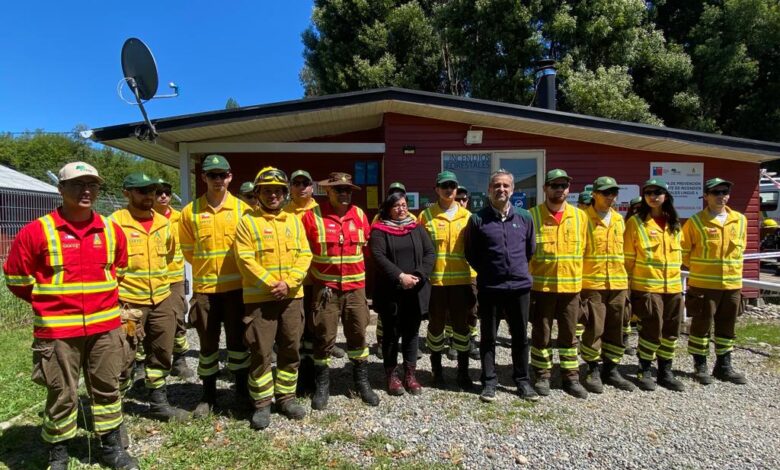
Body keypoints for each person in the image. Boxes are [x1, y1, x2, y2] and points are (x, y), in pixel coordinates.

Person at [3, 162, 138, 470]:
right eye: (77, 184)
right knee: (61, 393)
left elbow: (119, 270)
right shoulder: (37, 231)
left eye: (92, 184)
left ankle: (112, 448)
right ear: (61, 189)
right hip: (58, 331)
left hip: (105, 328)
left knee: (107, 387)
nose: (86, 190)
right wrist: (51, 303)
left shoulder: (111, 230)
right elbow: (17, 279)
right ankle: (59, 453)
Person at [234, 167, 313, 429]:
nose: (273, 195)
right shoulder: (247, 222)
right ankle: (261, 403)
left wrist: (288, 283)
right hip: (260, 299)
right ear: (258, 193)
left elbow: (305, 254)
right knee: (260, 351)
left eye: (278, 191)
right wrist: (271, 284)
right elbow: (244, 258)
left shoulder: (293, 221)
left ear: (284, 193)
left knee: (291, 348)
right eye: (267, 190)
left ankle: (286, 397)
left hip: (292, 297)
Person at [111, 173, 190, 423]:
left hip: (161, 299)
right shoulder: (114, 223)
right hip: (128, 303)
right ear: (127, 193)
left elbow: (170, 255)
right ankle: (113, 410)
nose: (149, 196)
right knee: (124, 354)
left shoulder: (164, 223)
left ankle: (158, 403)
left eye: (152, 191)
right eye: (142, 191)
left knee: (161, 351)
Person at [179, 154, 252, 416]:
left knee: (238, 344)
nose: (218, 179)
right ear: (204, 178)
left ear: (230, 177)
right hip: (206, 292)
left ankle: (241, 392)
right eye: (212, 175)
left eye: (222, 175)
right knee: (208, 347)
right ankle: (208, 395)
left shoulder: (243, 210)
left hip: (236, 291)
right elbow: (188, 250)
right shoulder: (190, 212)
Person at [301, 172, 379, 410]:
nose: (344, 194)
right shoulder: (312, 216)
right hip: (326, 289)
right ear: (328, 191)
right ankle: (322, 385)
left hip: (355, 289)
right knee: (323, 337)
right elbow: (302, 252)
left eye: (347, 190)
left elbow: (368, 249)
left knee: (358, 334)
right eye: (338, 189)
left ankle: (361, 382)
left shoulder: (360, 215)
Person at [464, 169, 538, 402]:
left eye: (506, 185)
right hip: (490, 288)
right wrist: (489, 272)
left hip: (519, 288)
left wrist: (515, 270)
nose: (501, 189)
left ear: (512, 190)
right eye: (496, 185)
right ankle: (489, 382)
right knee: (488, 338)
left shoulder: (525, 217)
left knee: (520, 337)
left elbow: (530, 250)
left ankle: (522, 381)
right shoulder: (477, 219)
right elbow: (471, 253)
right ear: (489, 190)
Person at [528, 169, 589, 399]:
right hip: (542, 289)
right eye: (554, 185)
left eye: (563, 185)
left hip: (571, 289)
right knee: (541, 335)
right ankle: (542, 375)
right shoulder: (532, 216)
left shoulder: (580, 217)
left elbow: (586, 251)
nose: (559, 189)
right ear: (545, 188)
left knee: (569, 335)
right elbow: (525, 254)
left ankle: (571, 377)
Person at [682, 177, 748, 385]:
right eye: (716, 192)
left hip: (732, 285)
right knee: (701, 327)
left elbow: (741, 249)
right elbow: (683, 252)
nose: (721, 196)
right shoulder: (695, 222)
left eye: (724, 192)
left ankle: (724, 366)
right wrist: (701, 269)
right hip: (704, 285)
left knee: (727, 327)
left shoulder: (740, 220)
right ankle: (700, 366)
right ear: (706, 196)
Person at [369, 192, 434, 396]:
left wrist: (419, 275)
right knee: (390, 335)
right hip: (391, 292)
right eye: (396, 205)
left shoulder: (416, 228)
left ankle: (410, 375)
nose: (401, 209)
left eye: (404, 205)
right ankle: (392, 375)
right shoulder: (379, 230)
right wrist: (400, 277)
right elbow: (378, 256)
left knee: (412, 334)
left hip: (415, 291)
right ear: (388, 209)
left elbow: (430, 253)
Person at [624, 178, 685, 392]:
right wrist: (629, 290)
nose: (653, 196)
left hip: (673, 288)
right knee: (651, 330)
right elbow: (628, 260)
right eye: (648, 192)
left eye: (657, 192)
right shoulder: (636, 223)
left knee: (671, 332)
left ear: (666, 196)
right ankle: (644, 369)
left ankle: (665, 371)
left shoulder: (674, 223)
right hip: (648, 288)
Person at [418, 170, 477, 390]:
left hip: (462, 283)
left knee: (462, 329)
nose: (449, 189)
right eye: (444, 186)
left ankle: (463, 374)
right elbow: (420, 251)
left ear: (456, 188)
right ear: (437, 189)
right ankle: (437, 372)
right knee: (435, 329)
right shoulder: (426, 216)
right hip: (436, 284)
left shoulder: (468, 217)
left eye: (452, 185)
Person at [579, 177, 635, 393]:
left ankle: (611, 369)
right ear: (594, 194)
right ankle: (592, 369)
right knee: (594, 327)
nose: (610, 197)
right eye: (605, 193)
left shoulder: (620, 220)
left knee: (616, 327)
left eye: (613, 193)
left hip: (618, 283)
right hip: (593, 282)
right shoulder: (583, 219)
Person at [153, 178, 194, 379]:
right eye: (158, 192)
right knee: (148, 323)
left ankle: (179, 360)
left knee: (178, 318)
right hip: (150, 279)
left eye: (167, 193)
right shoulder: (145, 218)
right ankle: (142, 365)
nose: (163, 196)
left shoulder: (179, 218)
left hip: (174, 277)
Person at [372, 181, 407, 361]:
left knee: (404, 312)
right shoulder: (379, 218)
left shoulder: (412, 218)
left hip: (405, 273)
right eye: (393, 192)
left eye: (400, 192)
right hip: (387, 274)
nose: (396, 194)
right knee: (385, 315)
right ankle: (382, 342)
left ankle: (403, 343)